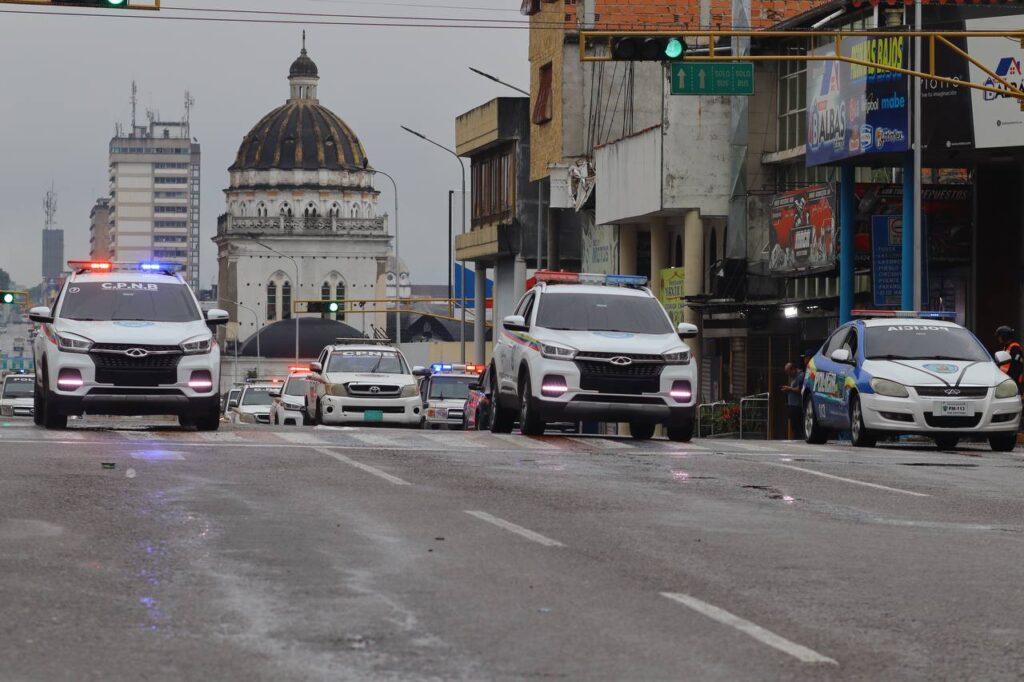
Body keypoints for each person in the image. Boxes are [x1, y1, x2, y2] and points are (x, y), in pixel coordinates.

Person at [780, 361, 805, 440]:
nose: (788, 375)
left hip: (797, 405)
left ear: (793, 369)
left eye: (788, 372)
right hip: (792, 404)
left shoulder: (801, 376)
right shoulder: (793, 377)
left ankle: (800, 438)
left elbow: (800, 390)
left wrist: (789, 388)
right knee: (793, 425)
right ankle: (796, 438)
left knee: (798, 425)